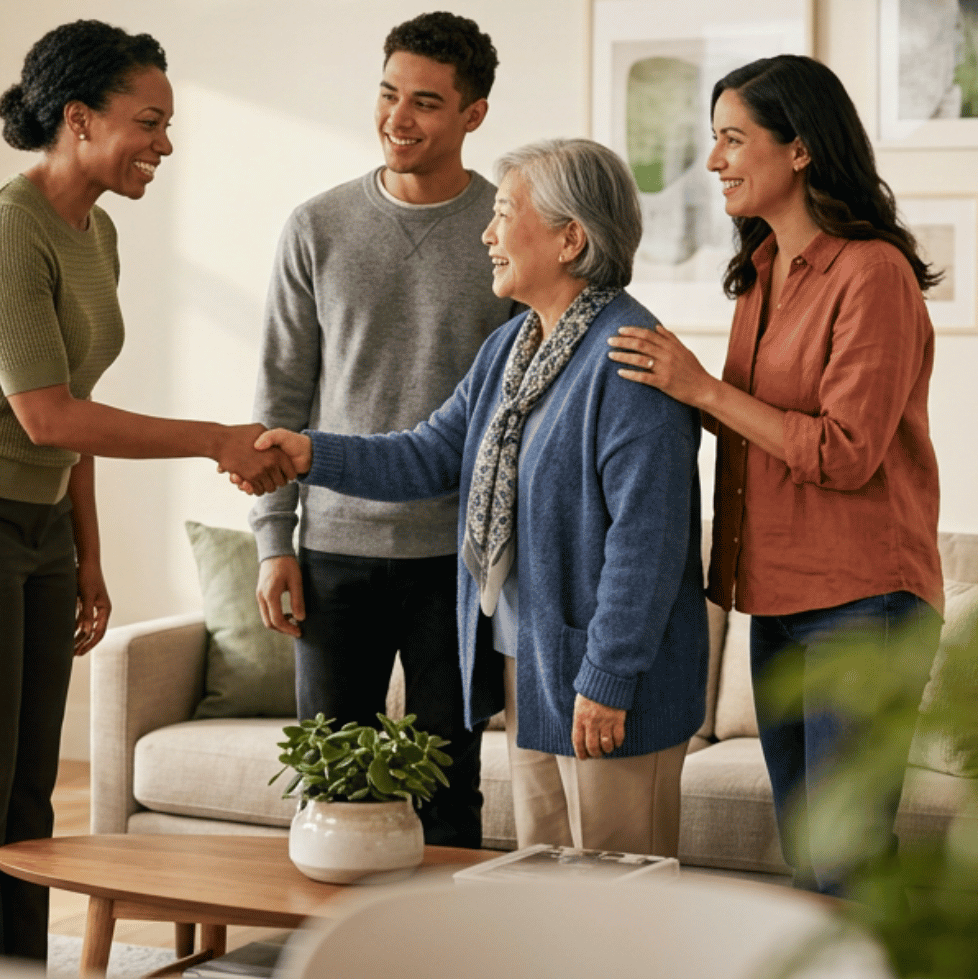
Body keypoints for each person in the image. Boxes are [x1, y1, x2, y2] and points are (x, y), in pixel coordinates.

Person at [0, 19, 292, 960]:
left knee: (29, 789)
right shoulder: (3, 228)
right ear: (78, 118)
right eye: (148, 122)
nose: (164, 144)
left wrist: (87, 557)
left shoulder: (96, 232)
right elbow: (46, 417)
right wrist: (215, 441)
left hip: (39, 524)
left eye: (166, 124)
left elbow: (79, 409)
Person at [246, 139, 707, 859]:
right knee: (545, 883)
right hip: (535, 664)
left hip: (606, 678)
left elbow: (646, 546)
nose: (487, 235)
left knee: (618, 896)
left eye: (503, 215)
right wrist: (313, 453)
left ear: (570, 239)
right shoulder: (514, 348)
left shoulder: (629, 358)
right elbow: (430, 453)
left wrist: (608, 678)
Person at [606, 54, 944, 896]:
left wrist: (701, 388)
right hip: (779, 599)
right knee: (807, 856)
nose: (713, 159)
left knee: (845, 863)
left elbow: (845, 451)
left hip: (865, 602)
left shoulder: (873, 273)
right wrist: (657, 398)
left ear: (799, 148)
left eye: (732, 139)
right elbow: (752, 427)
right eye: (713, 139)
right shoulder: (761, 273)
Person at [248, 11, 517, 849]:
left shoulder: (509, 231)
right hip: (333, 553)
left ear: (473, 113)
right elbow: (280, 395)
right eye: (388, 93)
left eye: (426, 102)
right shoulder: (317, 226)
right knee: (331, 785)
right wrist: (272, 539)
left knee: (449, 786)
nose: (398, 118)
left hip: (458, 561)